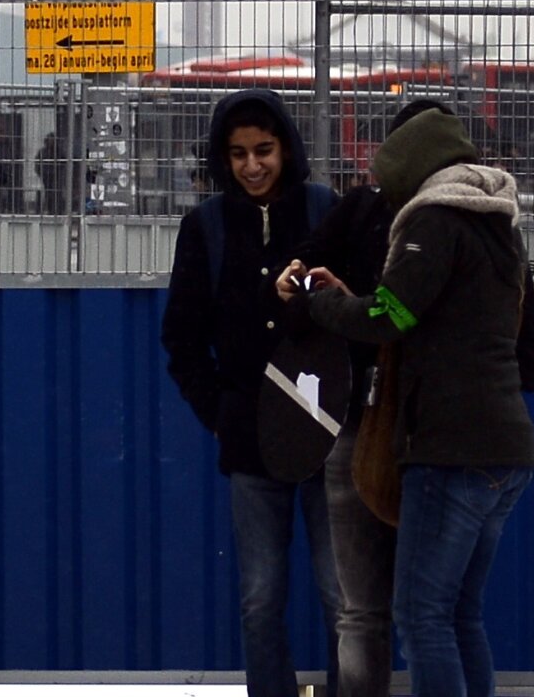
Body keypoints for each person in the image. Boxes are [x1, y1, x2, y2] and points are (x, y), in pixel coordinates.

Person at [278, 106, 534, 697]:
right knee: (460, 614)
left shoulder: (434, 220)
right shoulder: (497, 224)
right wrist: (356, 297)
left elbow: (388, 316)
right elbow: (430, 314)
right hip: (506, 450)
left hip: (451, 447)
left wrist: (320, 303)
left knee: (421, 615)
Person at [161, 88, 341, 697]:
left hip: (328, 437)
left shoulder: (324, 211)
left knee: (342, 596)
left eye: (263, 150)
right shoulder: (205, 227)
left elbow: (361, 312)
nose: (252, 165)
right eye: (238, 154)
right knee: (261, 598)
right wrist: (221, 413)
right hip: (249, 441)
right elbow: (182, 337)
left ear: (285, 148)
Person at [283, 99, 452, 697]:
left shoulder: (447, 224)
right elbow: (304, 278)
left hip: (419, 432)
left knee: (409, 612)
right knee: (399, 611)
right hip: (375, 424)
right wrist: (301, 277)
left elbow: (391, 318)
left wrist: (344, 305)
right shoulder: (365, 211)